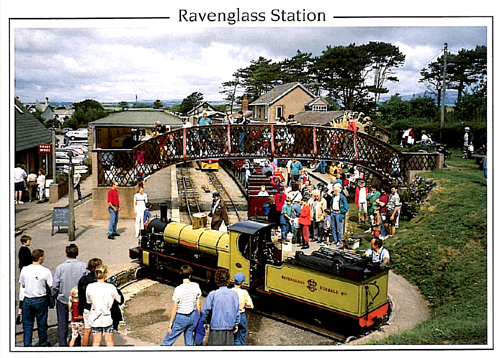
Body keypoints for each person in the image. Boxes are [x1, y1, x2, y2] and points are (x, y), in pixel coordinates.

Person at [52, 243, 87, 346]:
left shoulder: (60, 268)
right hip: (78, 299)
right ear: (77, 253)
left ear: (66, 254)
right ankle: (77, 342)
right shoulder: (84, 266)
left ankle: (62, 344)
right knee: (79, 321)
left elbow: (55, 285)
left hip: (63, 298)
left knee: (62, 322)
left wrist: (53, 296)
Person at [161, 265, 202, 346]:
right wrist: (198, 318)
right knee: (189, 342)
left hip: (181, 318)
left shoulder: (178, 289)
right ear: (190, 275)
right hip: (192, 316)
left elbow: (174, 308)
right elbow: (198, 304)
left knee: (167, 341)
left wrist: (170, 324)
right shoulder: (196, 286)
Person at [19, 249, 53, 347]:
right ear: (40, 258)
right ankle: (43, 342)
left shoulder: (24, 269)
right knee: (42, 323)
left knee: (28, 324)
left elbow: (23, 284)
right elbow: (50, 285)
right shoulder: (45, 271)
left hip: (28, 298)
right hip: (40, 299)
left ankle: (27, 344)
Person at [86, 264, 123, 347]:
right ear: (105, 274)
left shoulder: (90, 287)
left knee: (96, 341)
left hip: (95, 317)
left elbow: (88, 301)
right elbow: (119, 299)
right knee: (109, 341)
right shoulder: (110, 287)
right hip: (107, 317)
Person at [201, 269, 240, 346]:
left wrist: (204, 321)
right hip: (229, 327)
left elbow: (205, 310)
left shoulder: (213, 294)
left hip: (215, 328)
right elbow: (237, 312)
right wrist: (236, 324)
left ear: (216, 280)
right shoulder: (234, 294)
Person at [77, 258, 103, 346]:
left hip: (86, 307)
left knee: (87, 330)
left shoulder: (83, 280)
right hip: (97, 308)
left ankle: (85, 350)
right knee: (97, 331)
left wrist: (80, 309)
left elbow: (80, 296)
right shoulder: (100, 280)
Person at [231, 272, 253, 346]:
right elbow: (251, 305)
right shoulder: (244, 292)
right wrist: (244, 305)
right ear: (242, 283)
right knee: (241, 333)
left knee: (232, 333)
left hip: (232, 315)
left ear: (233, 280)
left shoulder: (230, 291)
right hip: (241, 315)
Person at [17, 235, 32, 325]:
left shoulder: (20, 250)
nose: (29, 242)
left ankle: (19, 312)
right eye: (29, 241)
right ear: (25, 242)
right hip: (26, 271)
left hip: (22, 270)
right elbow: (28, 260)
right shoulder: (26, 250)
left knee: (21, 293)